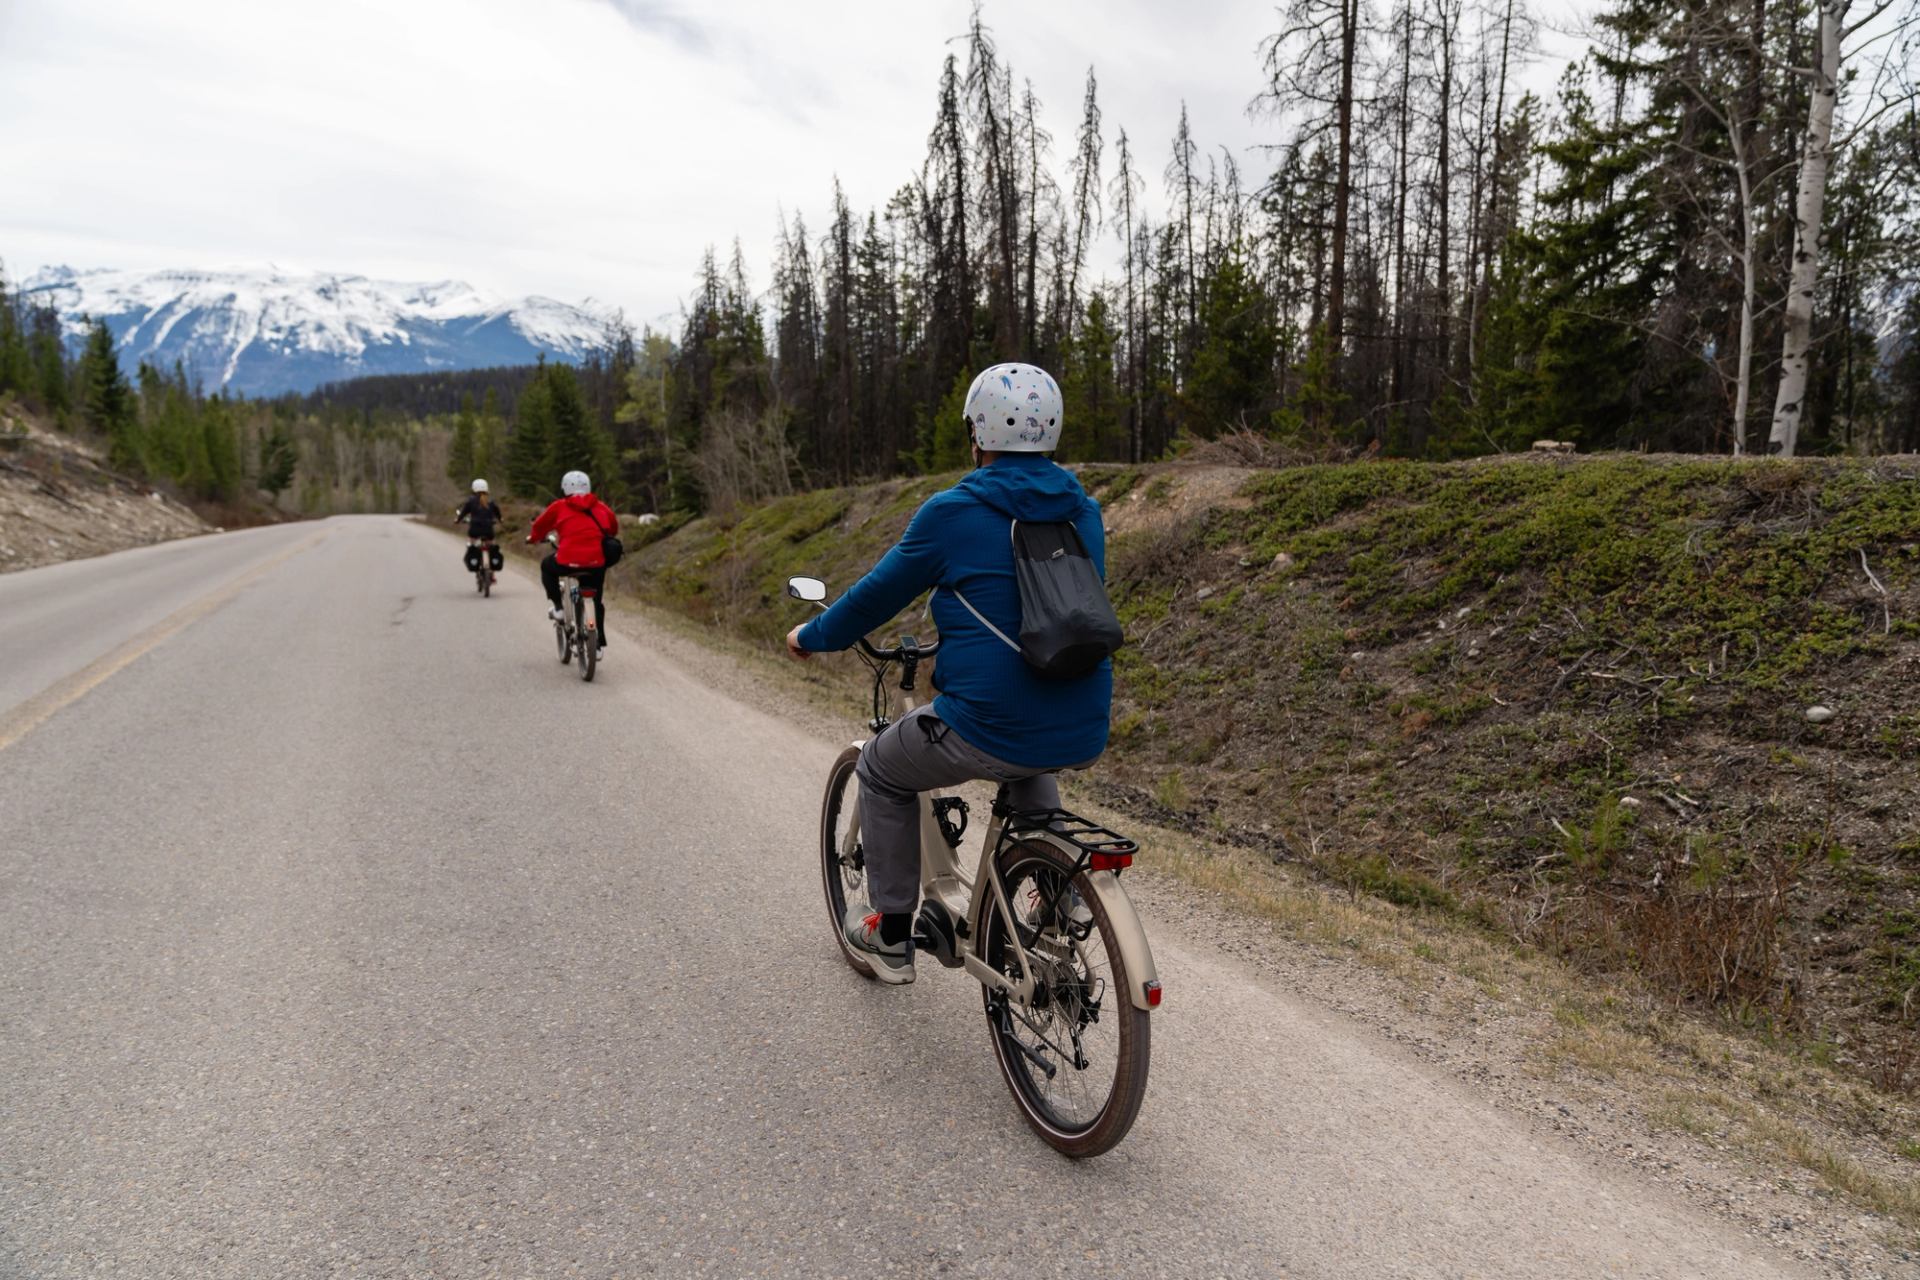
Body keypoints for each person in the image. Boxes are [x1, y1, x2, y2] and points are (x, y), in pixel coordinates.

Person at [785, 363, 1110, 984]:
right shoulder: (1084, 513)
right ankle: (1060, 893)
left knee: (881, 765)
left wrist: (812, 635)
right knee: (1028, 756)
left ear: (978, 431)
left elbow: (874, 599)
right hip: (1083, 717)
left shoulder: (953, 513)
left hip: (988, 722)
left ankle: (892, 933)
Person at [527, 470, 618, 657]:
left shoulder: (559, 506)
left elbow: (539, 526)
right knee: (595, 599)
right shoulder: (600, 506)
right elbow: (613, 527)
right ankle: (598, 644)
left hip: (567, 562)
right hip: (596, 563)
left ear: (565, 488)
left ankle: (559, 609)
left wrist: (534, 538)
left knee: (546, 566)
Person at [453, 479, 503, 574]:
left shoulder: (471, 501)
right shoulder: (491, 502)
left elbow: (463, 513)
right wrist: (500, 520)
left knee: (472, 545)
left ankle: (476, 561)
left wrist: (457, 520)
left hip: (474, 530)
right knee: (491, 546)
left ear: (474, 489)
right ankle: (491, 571)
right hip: (488, 530)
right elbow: (498, 514)